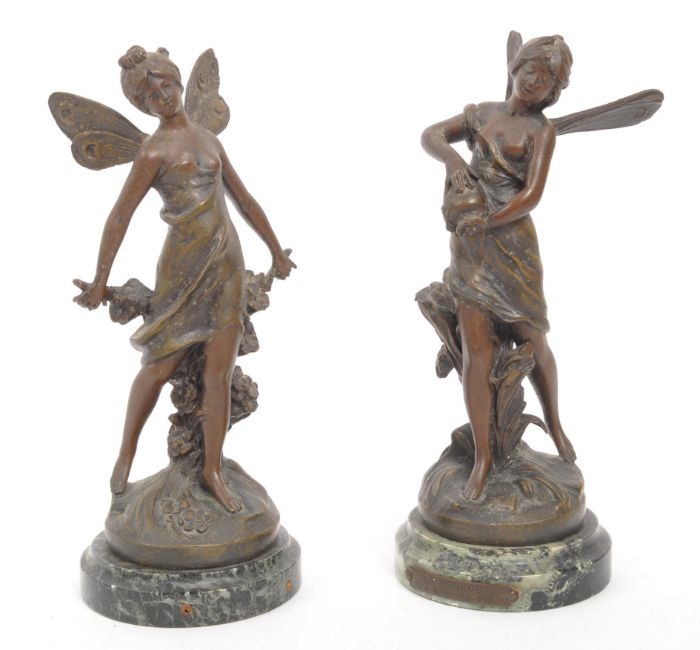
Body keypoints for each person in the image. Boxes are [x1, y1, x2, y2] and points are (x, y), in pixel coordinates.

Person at [73, 46, 294, 513]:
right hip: (181, 268)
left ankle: (212, 469)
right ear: (142, 105)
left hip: (226, 263)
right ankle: (126, 455)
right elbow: (120, 216)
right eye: (150, 95)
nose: (163, 97)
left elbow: (244, 199)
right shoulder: (152, 151)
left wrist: (275, 249)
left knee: (219, 374)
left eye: (166, 86)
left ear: (176, 82)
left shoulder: (209, 141)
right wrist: (99, 279)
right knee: (157, 367)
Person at [421, 36, 576, 499]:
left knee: (534, 338)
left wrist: (487, 222)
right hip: (469, 247)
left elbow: (531, 195)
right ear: (516, 67)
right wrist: (453, 160)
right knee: (476, 351)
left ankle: (555, 424)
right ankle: (484, 456)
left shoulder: (542, 132)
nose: (534, 81)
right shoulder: (483, 114)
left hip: (512, 244)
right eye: (530, 70)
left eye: (546, 79)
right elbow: (430, 135)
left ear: (554, 91)